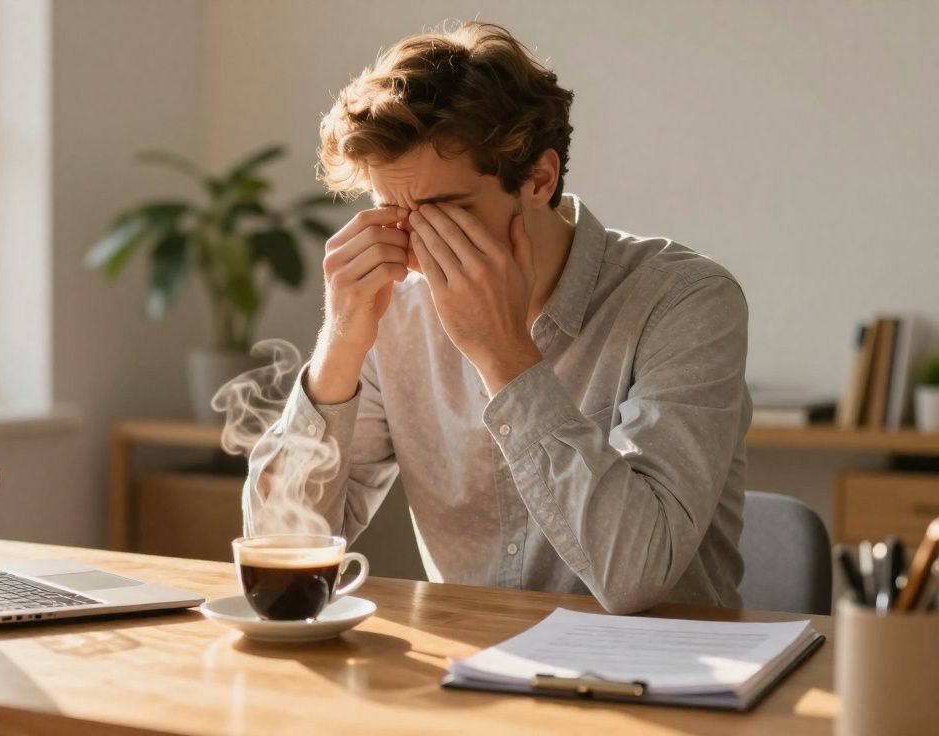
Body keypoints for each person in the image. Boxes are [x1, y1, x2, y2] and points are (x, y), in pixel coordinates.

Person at [244, 21, 751, 614]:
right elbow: (280, 547)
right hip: (472, 678)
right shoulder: (397, 309)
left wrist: (504, 354)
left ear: (539, 178)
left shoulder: (686, 300)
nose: (415, 241)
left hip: (666, 680)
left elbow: (635, 576)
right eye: (390, 211)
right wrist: (340, 346)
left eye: (446, 210)